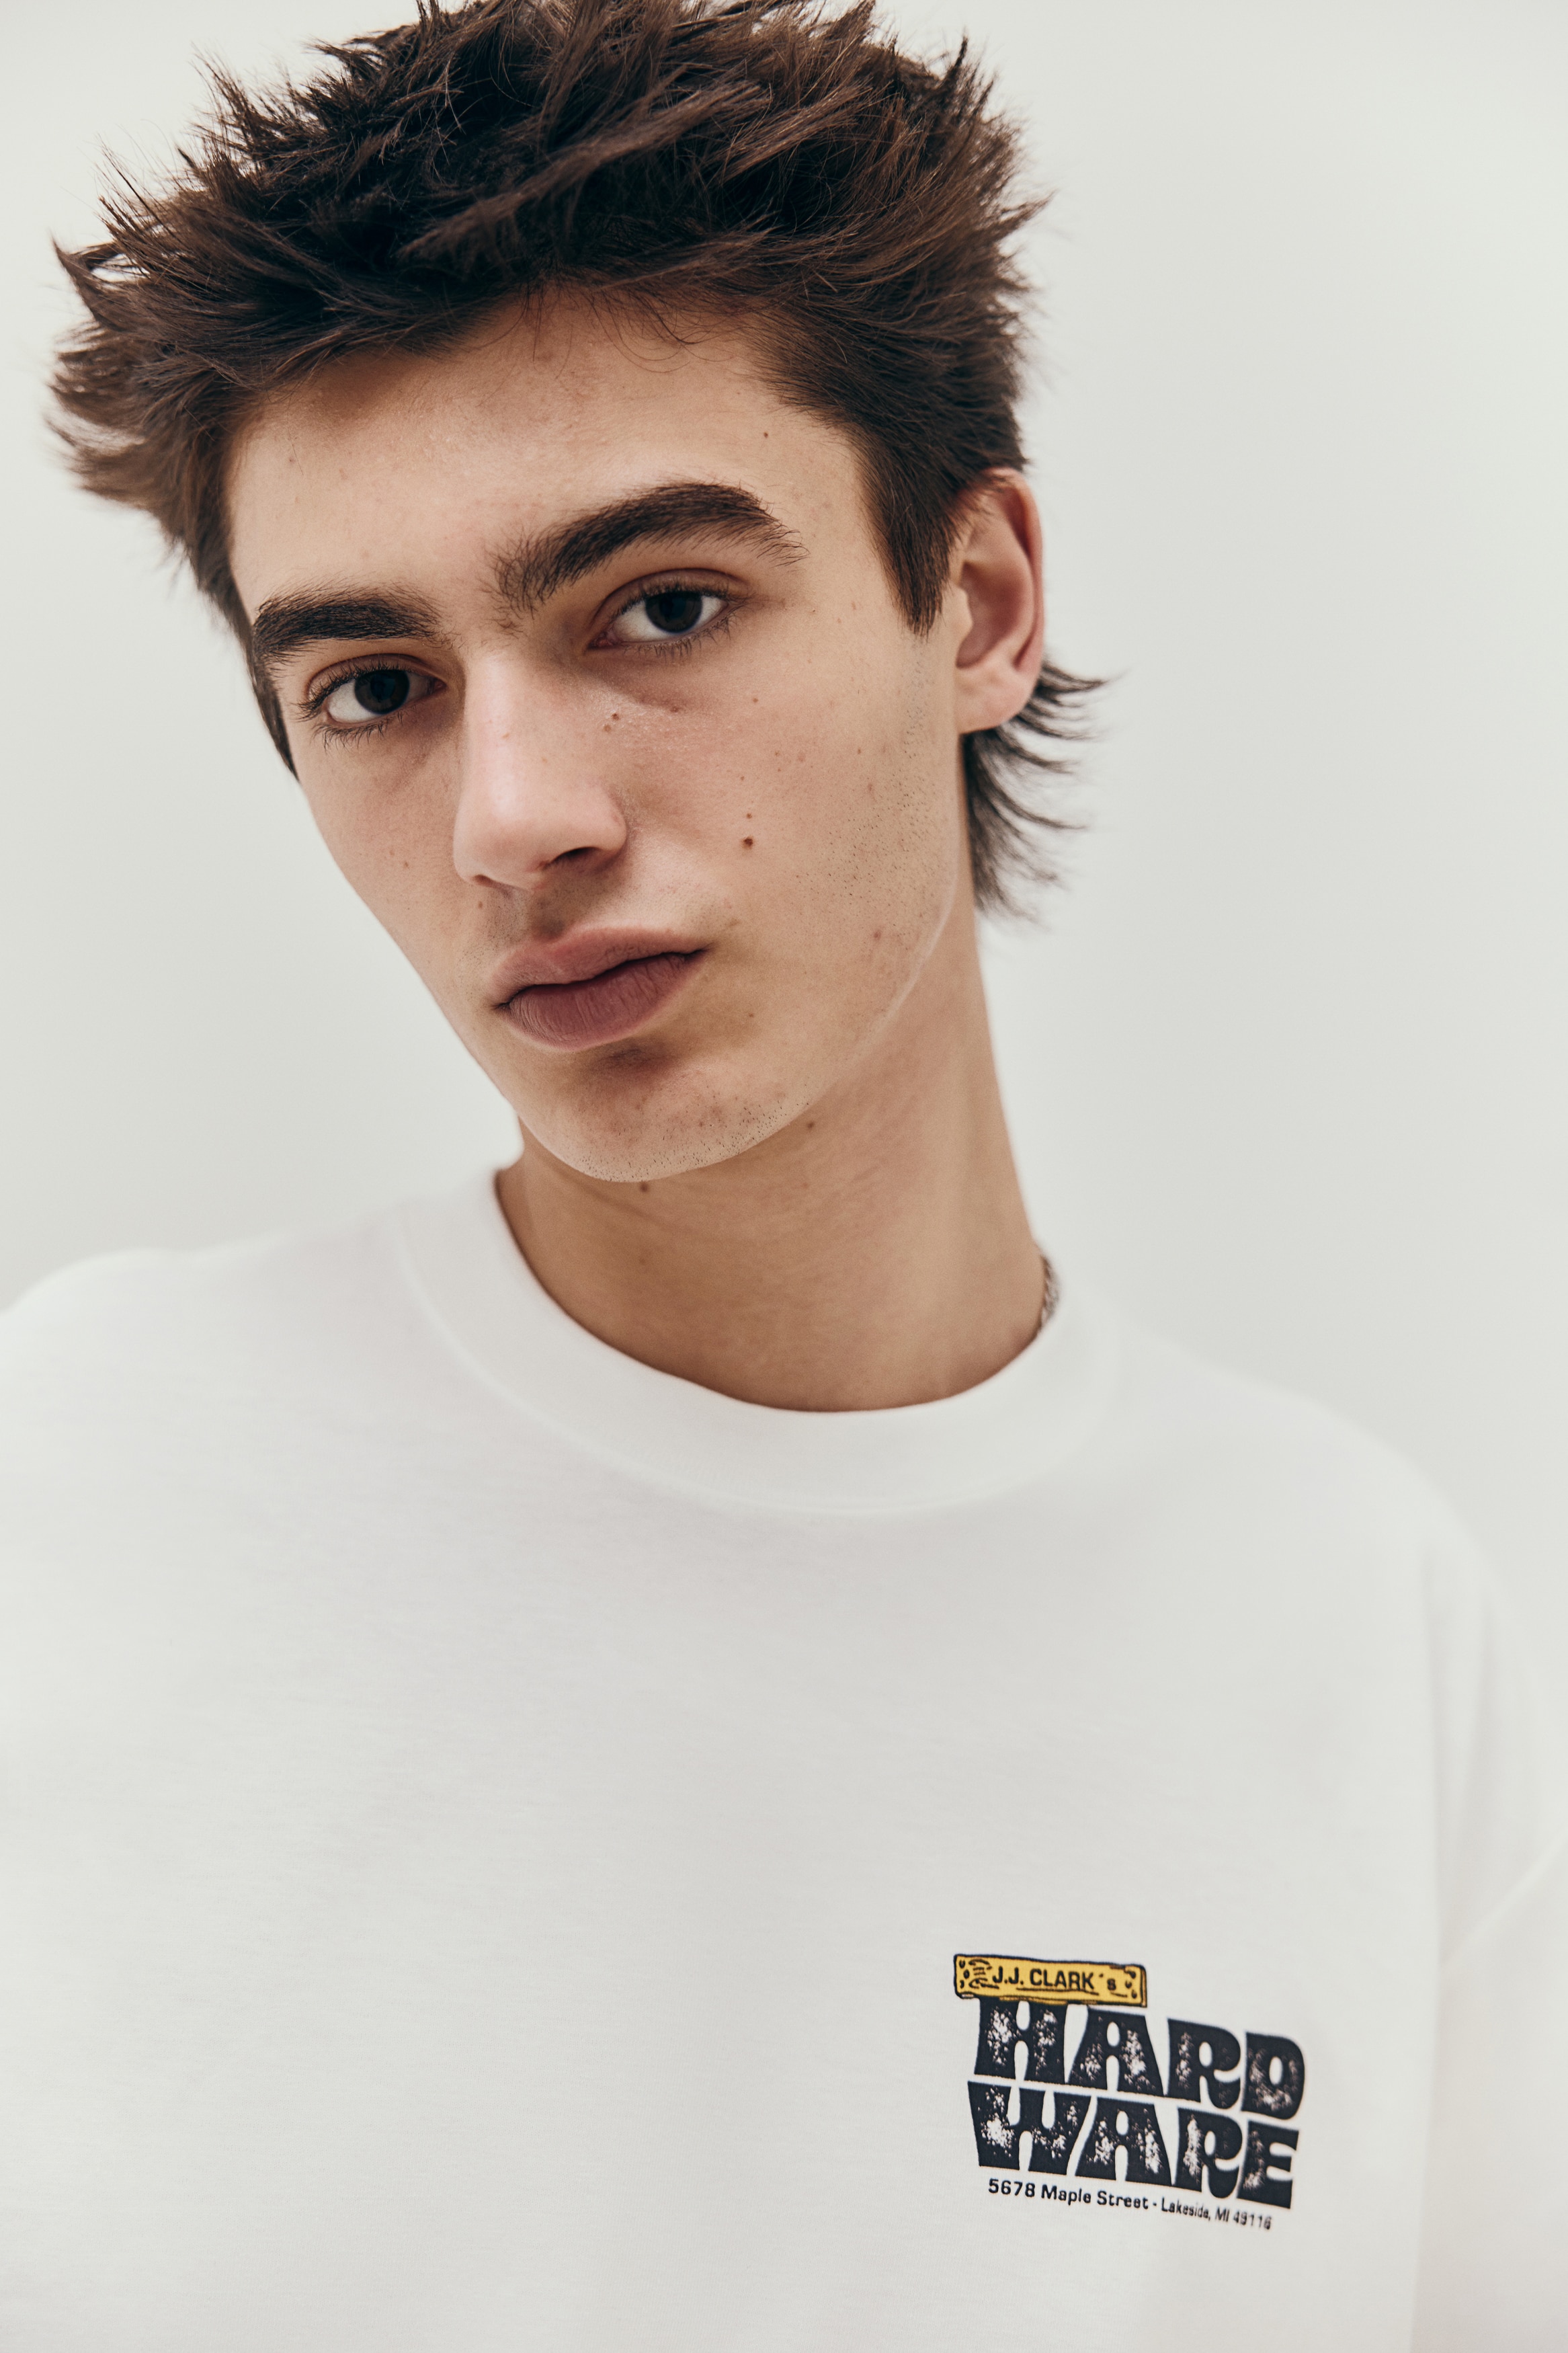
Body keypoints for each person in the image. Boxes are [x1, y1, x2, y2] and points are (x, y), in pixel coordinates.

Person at [2, 0, 1563, 2344]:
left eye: (662, 606)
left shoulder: (1357, 1629)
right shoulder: (77, 1488)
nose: (515, 818)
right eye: (376, 685)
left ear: (982, 599)